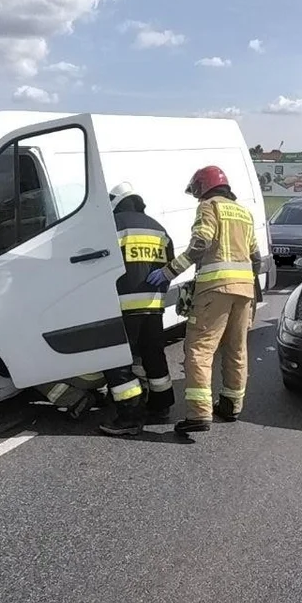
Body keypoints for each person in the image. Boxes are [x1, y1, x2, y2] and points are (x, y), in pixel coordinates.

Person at [146, 166, 262, 435]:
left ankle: (199, 414)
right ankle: (232, 405)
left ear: (203, 187)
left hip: (215, 289)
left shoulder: (209, 207)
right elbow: (255, 257)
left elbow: (200, 244)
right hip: (244, 291)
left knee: (199, 349)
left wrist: (168, 271)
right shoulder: (244, 213)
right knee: (236, 348)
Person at [98, 182, 176, 437]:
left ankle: (129, 415)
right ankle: (161, 406)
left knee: (118, 361)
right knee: (154, 356)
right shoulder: (159, 228)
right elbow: (169, 267)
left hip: (121, 305)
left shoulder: (113, 227)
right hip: (153, 306)